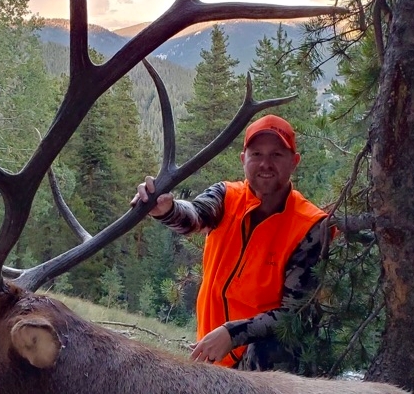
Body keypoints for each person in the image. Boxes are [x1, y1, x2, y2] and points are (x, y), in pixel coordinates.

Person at [133, 114, 333, 372]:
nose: (265, 164)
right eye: (257, 154)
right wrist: (167, 209)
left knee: (275, 346)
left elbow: (294, 314)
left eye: (277, 155)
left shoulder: (311, 225)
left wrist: (233, 333)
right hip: (214, 358)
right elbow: (195, 215)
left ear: (294, 162)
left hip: (264, 367)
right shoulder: (226, 196)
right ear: (243, 160)